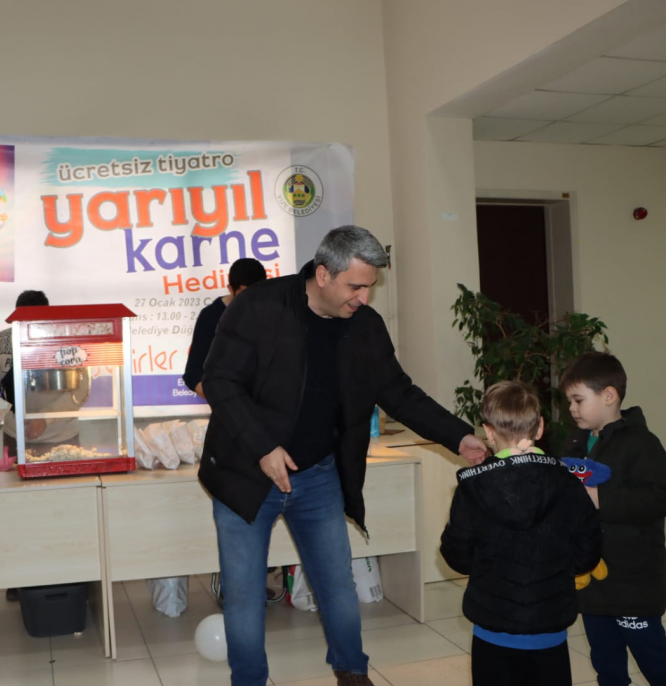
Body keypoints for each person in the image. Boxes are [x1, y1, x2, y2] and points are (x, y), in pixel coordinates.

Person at [198, 225, 489, 686]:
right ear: (323, 274)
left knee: (337, 585)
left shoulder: (364, 326)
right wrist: (263, 447)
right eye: (355, 286)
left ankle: (353, 672)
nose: (364, 298)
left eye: (369, 287)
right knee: (244, 595)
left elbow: (399, 392)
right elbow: (219, 380)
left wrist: (459, 437)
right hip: (246, 473)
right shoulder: (259, 307)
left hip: (318, 475)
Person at [440, 381, 603, 686]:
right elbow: (588, 552)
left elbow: (457, 557)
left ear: (488, 432)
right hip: (549, 627)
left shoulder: (472, 488)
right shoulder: (567, 482)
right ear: (539, 427)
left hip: (492, 626)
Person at [560, 352, 666, 686]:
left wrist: (600, 499)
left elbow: (660, 498)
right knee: (605, 657)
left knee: (652, 654)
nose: (571, 408)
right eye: (569, 401)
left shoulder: (642, 444)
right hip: (592, 578)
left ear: (609, 396)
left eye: (578, 400)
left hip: (632, 578)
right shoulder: (575, 441)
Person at [0, 290, 90, 460]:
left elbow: (80, 390)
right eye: (21, 322)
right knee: (16, 477)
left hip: (61, 438)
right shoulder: (2, 341)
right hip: (15, 437)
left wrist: (44, 419)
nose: (28, 328)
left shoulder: (67, 343)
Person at [182, 257, 268, 398]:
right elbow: (193, 374)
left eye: (256, 294)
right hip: (228, 404)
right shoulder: (210, 316)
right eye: (244, 294)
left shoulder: (273, 313)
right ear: (230, 289)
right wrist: (223, 401)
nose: (250, 300)